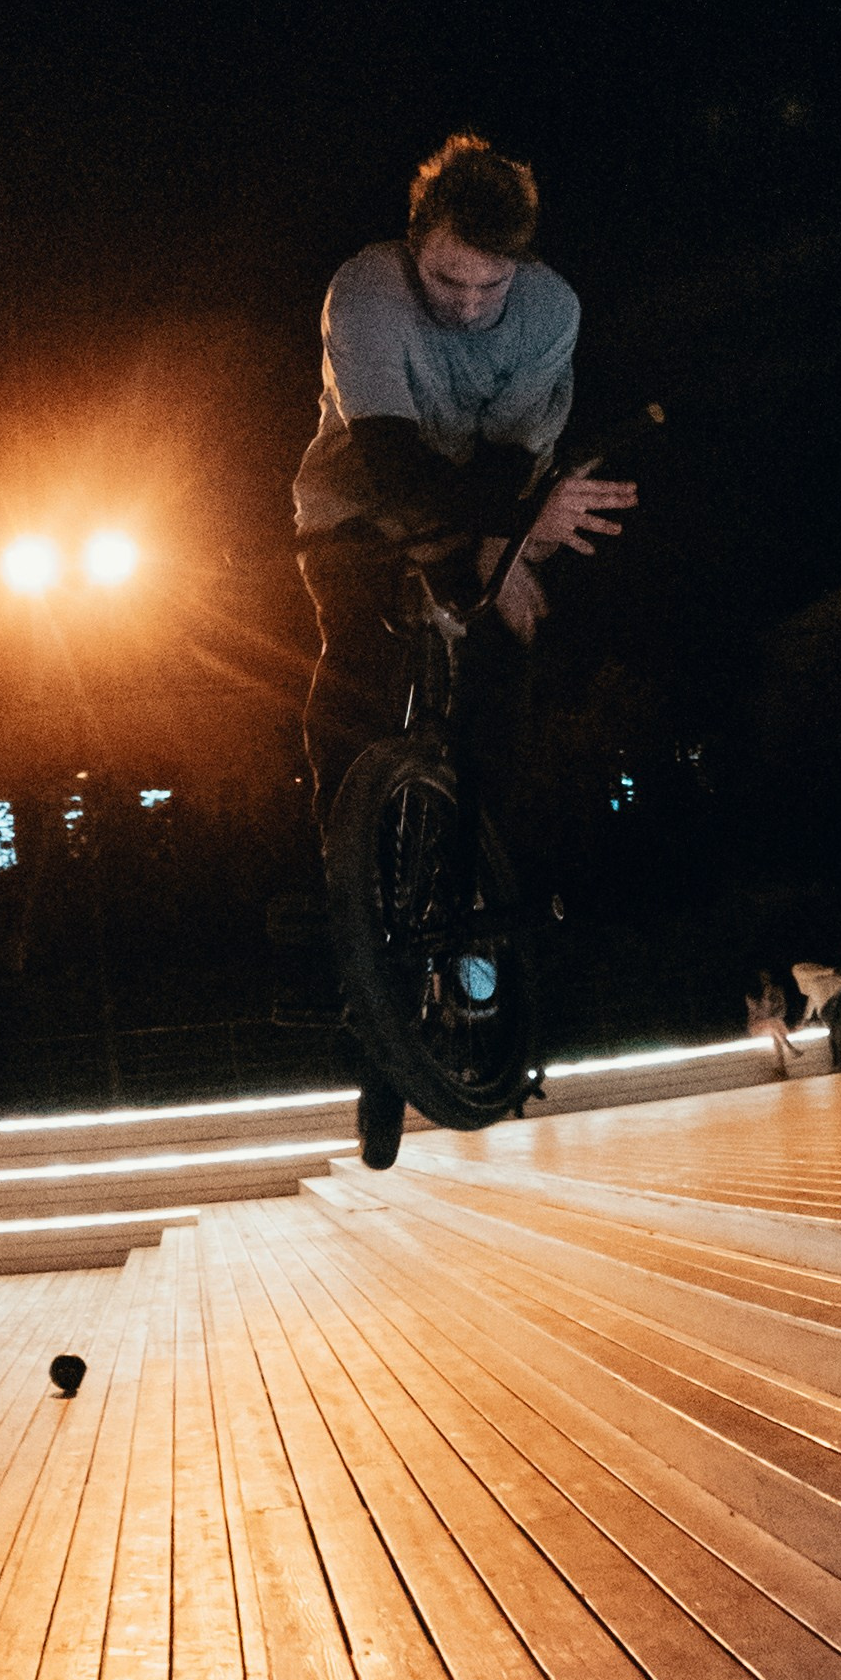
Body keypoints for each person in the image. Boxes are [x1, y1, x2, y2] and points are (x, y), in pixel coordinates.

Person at [293, 134, 637, 1161]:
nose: (469, 305)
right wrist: (519, 523)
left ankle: (484, 875)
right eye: (447, 279)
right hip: (356, 503)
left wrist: (514, 541)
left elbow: (505, 464)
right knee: (350, 659)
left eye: (492, 286)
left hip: (488, 503)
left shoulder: (550, 310)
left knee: (510, 631)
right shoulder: (363, 292)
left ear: (519, 268)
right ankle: (352, 908)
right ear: (414, 247)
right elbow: (394, 471)